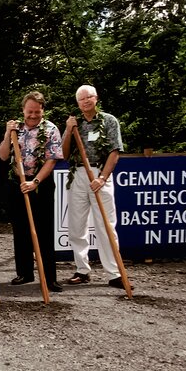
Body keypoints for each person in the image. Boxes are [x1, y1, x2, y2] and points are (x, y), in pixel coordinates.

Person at [61, 84, 129, 289]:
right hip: (78, 174)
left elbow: (115, 151)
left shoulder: (109, 121)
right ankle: (82, 270)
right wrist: (68, 130)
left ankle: (114, 273)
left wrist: (102, 178)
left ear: (96, 98)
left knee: (106, 225)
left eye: (88, 97)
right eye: (81, 99)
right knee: (76, 226)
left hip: (100, 174)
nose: (85, 101)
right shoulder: (75, 123)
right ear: (77, 103)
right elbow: (64, 155)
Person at [0, 91, 63, 292]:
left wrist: (34, 182)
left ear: (43, 110)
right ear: (23, 110)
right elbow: (2, 155)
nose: (33, 115)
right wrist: (8, 133)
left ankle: (49, 277)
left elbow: (52, 159)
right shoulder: (15, 128)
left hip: (40, 183)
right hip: (17, 183)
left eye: (37, 112)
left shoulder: (51, 129)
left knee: (44, 230)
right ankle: (24, 273)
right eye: (29, 111)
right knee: (21, 229)